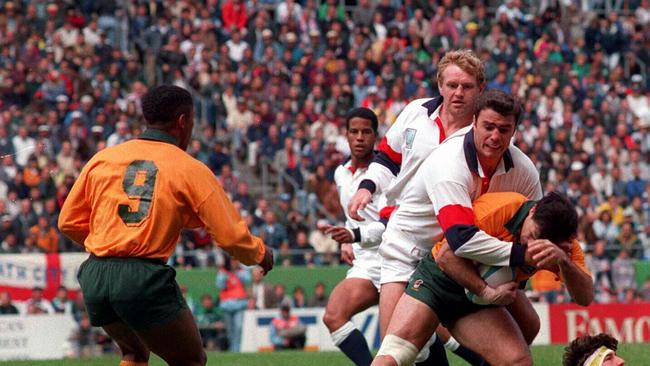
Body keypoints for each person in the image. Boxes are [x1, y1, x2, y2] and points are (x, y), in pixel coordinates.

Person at [58, 85, 273, 366]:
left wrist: (110, 241)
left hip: (95, 275)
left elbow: (67, 221)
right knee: (191, 360)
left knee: (134, 354)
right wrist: (260, 253)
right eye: (193, 122)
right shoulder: (189, 167)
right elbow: (230, 236)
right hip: (141, 277)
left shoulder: (104, 157)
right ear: (183, 121)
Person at [371, 89, 545, 364]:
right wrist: (521, 257)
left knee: (525, 335)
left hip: (468, 265)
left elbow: (537, 228)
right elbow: (461, 238)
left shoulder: (524, 171)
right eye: (488, 126)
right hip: (413, 253)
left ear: (514, 131)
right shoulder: (448, 162)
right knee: (397, 355)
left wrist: (557, 261)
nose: (495, 136)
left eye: (504, 129)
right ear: (473, 121)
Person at [347, 49, 486, 364]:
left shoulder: (484, 133)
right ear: (439, 85)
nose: (458, 93)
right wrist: (367, 187)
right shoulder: (414, 113)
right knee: (394, 345)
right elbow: (387, 158)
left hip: (451, 251)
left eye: (466, 86)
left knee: (477, 342)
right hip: (403, 240)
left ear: (480, 89)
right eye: (452, 85)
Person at [373, 192, 594, 366]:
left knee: (518, 361)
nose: (531, 247)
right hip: (438, 282)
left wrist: (564, 263)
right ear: (532, 211)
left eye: (541, 245)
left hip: (477, 303)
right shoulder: (498, 210)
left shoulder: (563, 246)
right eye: (533, 236)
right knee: (396, 352)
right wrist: (486, 292)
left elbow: (585, 297)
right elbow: (445, 256)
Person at [320, 107, 384, 366]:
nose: (359, 137)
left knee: (434, 333)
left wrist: (354, 236)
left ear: (375, 136)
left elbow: (394, 223)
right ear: (346, 135)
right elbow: (352, 215)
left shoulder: (386, 172)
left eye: (366, 132)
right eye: (354, 131)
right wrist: (348, 244)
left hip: (397, 258)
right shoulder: (341, 173)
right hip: (366, 262)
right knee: (334, 316)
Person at [216, 256, 250, 352]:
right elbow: (220, 285)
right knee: (230, 330)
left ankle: (237, 349)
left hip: (240, 304)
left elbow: (247, 280)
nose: (234, 262)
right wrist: (225, 274)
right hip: (227, 305)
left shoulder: (242, 271)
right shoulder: (223, 272)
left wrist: (237, 272)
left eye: (236, 260)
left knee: (238, 327)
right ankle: (232, 349)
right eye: (233, 260)